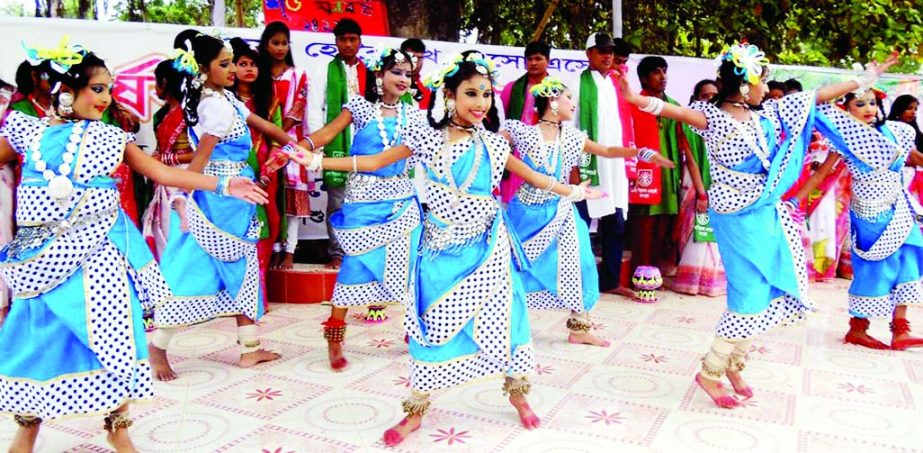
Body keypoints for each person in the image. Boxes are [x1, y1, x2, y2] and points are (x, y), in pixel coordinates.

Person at [283, 50, 605, 446]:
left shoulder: (493, 143)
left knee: (508, 321)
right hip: (439, 252)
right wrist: (316, 161)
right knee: (433, 329)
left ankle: (519, 394)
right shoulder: (425, 136)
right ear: (449, 95)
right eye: (471, 93)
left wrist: (574, 190)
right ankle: (416, 410)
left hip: (489, 250)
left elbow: (537, 178)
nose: (480, 103)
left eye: (486, 94)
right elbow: (374, 161)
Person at [0, 38, 267, 453]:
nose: (107, 98)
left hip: (99, 258)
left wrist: (223, 183)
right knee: (37, 337)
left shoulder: (111, 137)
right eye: (98, 88)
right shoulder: (28, 134)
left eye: (109, 88)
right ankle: (27, 430)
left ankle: (118, 428)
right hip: (41, 260)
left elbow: (162, 173)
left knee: (116, 337)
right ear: (65, 91)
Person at [616, 42, 898, 408]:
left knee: (766, 290)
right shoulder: (712, 116)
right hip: (735, 215)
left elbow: (819, 96)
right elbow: (672, 110)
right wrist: (633, 99)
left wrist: (865, 78)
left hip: (766, 212)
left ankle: (734, 363)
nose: (768, 88)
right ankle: (711, 372)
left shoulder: (772, 113)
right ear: (746, 85)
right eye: (762, 82)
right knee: (748, 295)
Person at [148, 34, 304, 381]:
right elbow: (199, 163)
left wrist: (299, 146)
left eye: (232, 62)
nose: (233, 69)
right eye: (224, 63)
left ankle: (250, 348)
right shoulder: (213, 106)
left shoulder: (226, 99)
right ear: (203, 69)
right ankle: (157, 346)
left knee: (245, 270)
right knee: (193, 271)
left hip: (239, 200)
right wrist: (184, 202)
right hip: (218, 201)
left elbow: (263, 125)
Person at [267, 47, 425, 371]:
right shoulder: (360, 108)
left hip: (401, 202)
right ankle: (335, 334)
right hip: (363, 202)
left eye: (408, 74)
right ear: (379, 75)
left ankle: (413, 330)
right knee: (354, 267)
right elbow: (326, 133)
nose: (403, 79)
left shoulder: (417, 115)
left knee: (411, 268)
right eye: (396, 72)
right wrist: (298, 148)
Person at [503, 77, 673, 346]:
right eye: (568, 98)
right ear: (553, 101)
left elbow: (606, 150)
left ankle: (580, 327)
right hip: (527, 211)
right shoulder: (522, 131)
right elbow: (489, 145)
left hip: (562, 209)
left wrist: (642, 153)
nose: (573, 103)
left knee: (581, 263)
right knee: (508, 266)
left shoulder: (572, 136)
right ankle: (499, 322)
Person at [817, 87, 923, 351]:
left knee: (908, 260)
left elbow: (911, 159)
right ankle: (858, 328)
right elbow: (823, 174)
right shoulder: (844, 139)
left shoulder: (896, 131)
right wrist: (797, 201)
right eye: (860, 103)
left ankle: (900, 330)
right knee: (876, 268)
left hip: (899, 207)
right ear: (846, 109)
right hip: (869, 214)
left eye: (872, 103)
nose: (868, 109)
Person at [308, 18, 375, 270]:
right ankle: (336, 252)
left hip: (366, 143)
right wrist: (318, 146)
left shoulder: (370, 72)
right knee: (337, 202)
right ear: (335, 42)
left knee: (365, 199)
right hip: (335, 140)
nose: (348, 44)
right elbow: (316, 107)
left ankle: (361, 251)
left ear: (360, 42)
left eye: (352, 39)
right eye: (343, 39)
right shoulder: (324, 69)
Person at [572, 32, 635, 293]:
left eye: (610, 51)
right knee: (580, 225)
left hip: (614, 166)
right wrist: (573, 168)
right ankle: (576, 282)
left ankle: (610, 282)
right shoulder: (577, 83)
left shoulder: (616, 84)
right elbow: (570, 127)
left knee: (616, 222)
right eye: (601, 51)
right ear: (589, 54)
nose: (607, 55)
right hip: (588, 165)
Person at [230, 37, 286, 312]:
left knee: (267, 222)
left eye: (253, 65)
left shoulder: (269, 101)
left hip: (266, 170)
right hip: (233, 173)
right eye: (242, 64)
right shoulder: (225, 101)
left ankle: (259, 292)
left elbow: (277, 138)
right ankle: (236, 294)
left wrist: (268, 167)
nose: (249, 69)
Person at [627, 56, 686, 278]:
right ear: (643, 78)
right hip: (644, 174)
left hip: (669, 176)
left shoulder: (674, 106)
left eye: (664, 71)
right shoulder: (633, 103)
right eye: (656, 72)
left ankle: (657, 275)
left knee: (666, 226)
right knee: (644, 226)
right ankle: (639, 275)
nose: (663, 77)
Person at [259, 21, 308, 270]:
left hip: (289, 143)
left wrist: (276, 132)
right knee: (270, 199)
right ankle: (273, 249)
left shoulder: (297, 74)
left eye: (284, 43)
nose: (279, 48)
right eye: (275, 42)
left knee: (291, 199)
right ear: (266, 45)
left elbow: (298, 108)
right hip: (262, 143)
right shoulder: (258, 74)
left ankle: (290, 251)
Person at [673, 79, 727, 297]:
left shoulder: (724, 123)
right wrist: (702, 192)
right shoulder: (686, 123)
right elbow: (693, 160)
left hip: (718, 184)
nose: (710, 99)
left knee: (714, 231)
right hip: (693, 181)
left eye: (714, 95)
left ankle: (712, 279)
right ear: (696, 98)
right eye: (705, 95)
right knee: (696, 225)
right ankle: (691, 280)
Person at [142, 60, 193, 260]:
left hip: (185, 176)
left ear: (164, 82)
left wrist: (166, 158)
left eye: (156, 82)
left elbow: (202, 152)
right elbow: (162, 149)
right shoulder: (164, 114)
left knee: (178, 229)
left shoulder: (190, 113)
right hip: (165, 180)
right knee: (163, 229)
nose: (155, 88)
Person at [499, 41, 551, 204]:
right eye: (529, 59)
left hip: (545, 151)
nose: (533, 63)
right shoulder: (512, 89)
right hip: (516, 153)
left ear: (547, 61)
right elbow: (502, 120)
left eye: (538, 58)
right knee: (512, 201)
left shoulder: (556, 90)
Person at [888, 95, 923, 208]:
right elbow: (913, 156)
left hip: (913, 176)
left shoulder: (915, 132)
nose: (913, 112)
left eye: (915, 109)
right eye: (909, 108)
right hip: (898, 177)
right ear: (900, 108)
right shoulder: (890, 130)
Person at [399, 38, 431, 109]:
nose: (416, 62)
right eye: (412, 57)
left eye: (420, 58)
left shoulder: (426, 89)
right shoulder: (390, 85)